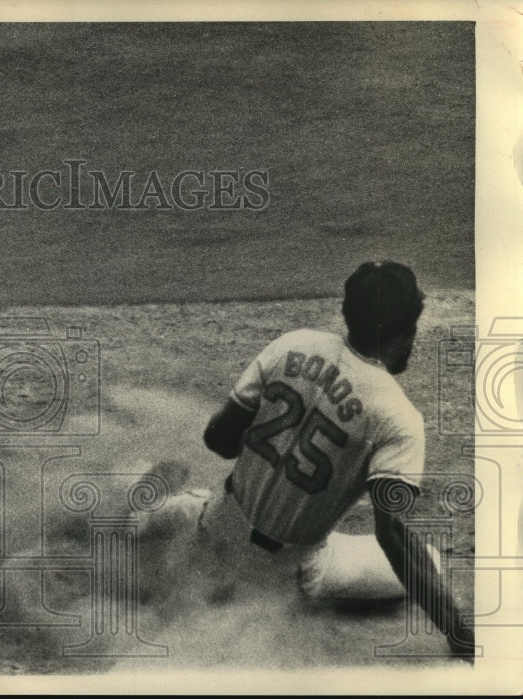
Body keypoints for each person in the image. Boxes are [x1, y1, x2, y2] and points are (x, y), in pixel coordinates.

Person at [190, 261, 474, 658]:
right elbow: (392, 536)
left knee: (188, 505)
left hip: (215, 530)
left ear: (347, 312)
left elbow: (218, 441)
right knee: (428, 559)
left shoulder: (292, 344)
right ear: (409, 328)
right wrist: (458, 633)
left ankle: (163, 511)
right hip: (285, 575)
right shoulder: (399, 417)